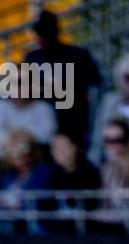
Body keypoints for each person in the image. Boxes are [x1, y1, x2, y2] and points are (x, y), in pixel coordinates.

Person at [23, 9, 101, 147]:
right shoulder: (33, 58)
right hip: (41, 119)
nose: (42, 39)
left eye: (45, 34)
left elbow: (94, 84)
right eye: (40, 35)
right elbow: (24, 88)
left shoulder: (78, 56)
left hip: (73, 118)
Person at [0, 64, 58, 156]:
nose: (17, 86)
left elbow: (47, 138)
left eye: (21, 82)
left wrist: (17, 136)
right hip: (1, 163)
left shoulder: (44, 109)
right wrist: (24, 137)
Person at [0, 129, 54, 232]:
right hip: (9, 224)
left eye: (22, 149)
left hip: (37, 224)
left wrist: (13, 207)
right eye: (12, 150)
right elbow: (1, 201)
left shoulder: (43, 171)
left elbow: (39, 200)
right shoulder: (7, 176)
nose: (18, 155)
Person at [45, 130, 101, 232]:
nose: (57, 151)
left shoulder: (90, 173)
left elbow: (92, 205)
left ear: (74, 147)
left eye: (62, 146)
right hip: (56, 232)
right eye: (54, 147)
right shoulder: (49, 174)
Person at [93, 116, 129, 232]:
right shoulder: (105, 167)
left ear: (128, 140)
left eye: (117, 140)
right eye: (107, 141)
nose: (111, 145)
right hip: (109, 225)